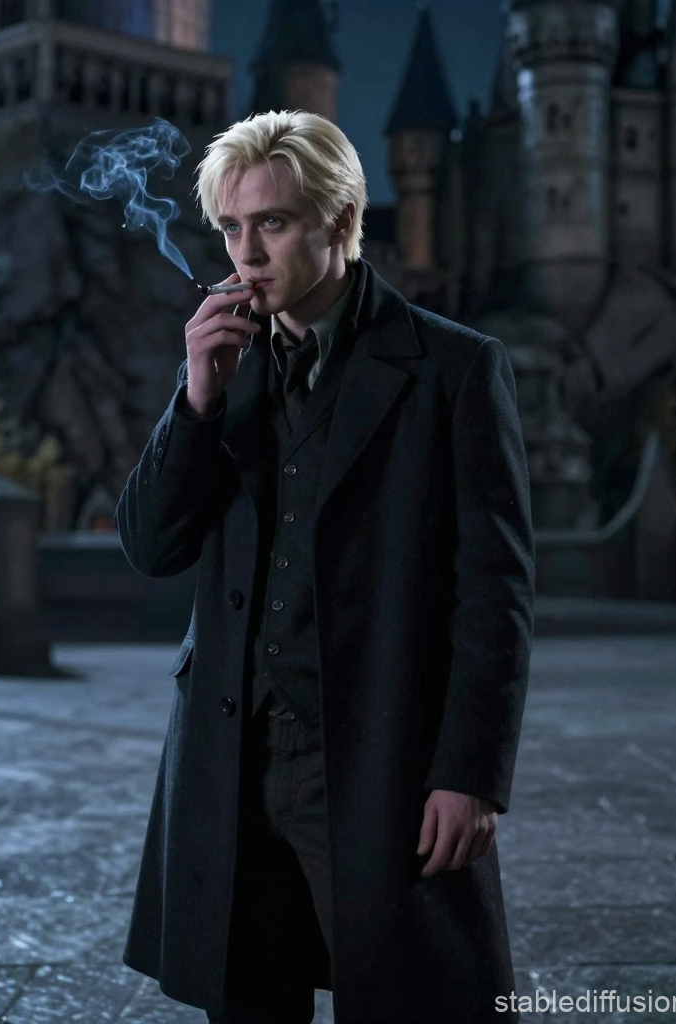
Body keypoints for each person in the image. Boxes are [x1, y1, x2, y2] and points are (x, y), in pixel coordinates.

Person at [114, 109, 535, 1024]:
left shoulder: (454, 368)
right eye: (231, 227)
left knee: (412, 1003)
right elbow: (151, 547)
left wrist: (470, 773)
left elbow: (493, 593)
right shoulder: (223, 364)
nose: (246, 251)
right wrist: (194, 403)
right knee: (249, 1004)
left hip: (380, 754)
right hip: (230, 757)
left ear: (340, 220)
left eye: (272, 222)